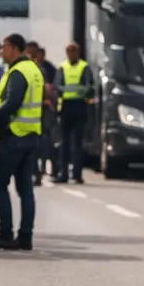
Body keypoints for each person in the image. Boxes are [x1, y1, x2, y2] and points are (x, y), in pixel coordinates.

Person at [0, 33, 44, 252]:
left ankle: (6, 234)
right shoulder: (34, 69)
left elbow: (13, 102)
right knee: (25, 188)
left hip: (14, 135)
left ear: (13, 48)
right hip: (31, 135)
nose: (0, 52)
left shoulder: (18, 71)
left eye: (2, 47)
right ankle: (25, 236)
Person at [54, 41, 94, 183]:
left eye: (74, 51)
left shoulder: (84, 67)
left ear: (78, 53)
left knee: (78, 143)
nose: (71, 54)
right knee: (64, 142)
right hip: (66, 106)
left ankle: (77, 174)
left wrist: (71, 90)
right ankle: (63, 173)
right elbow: (57, 86)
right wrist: (74, 90)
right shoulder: (62, 67)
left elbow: (88, 87)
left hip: (79, 106)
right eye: (69, 52)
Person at [27, 42, 59, 185]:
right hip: (34, 112)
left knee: (45, 141)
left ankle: (45, 169)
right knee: (37, 142)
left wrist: (48, 100)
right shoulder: (34, 69)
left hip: (44, 111)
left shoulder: (44, 69)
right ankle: (36, 171)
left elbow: (49, 89)